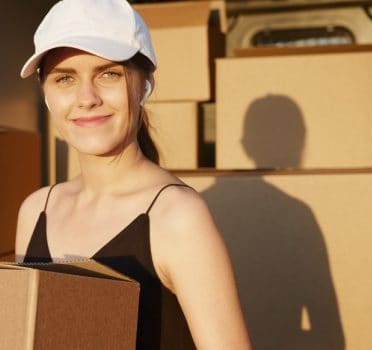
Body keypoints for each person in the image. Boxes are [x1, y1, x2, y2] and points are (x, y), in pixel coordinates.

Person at [14, 1, 251, 349]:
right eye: (65, 78)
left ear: (145, 85)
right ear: (47, 96)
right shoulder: (36, 210)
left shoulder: (177, 216)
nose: (86, 98)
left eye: (108, 73)